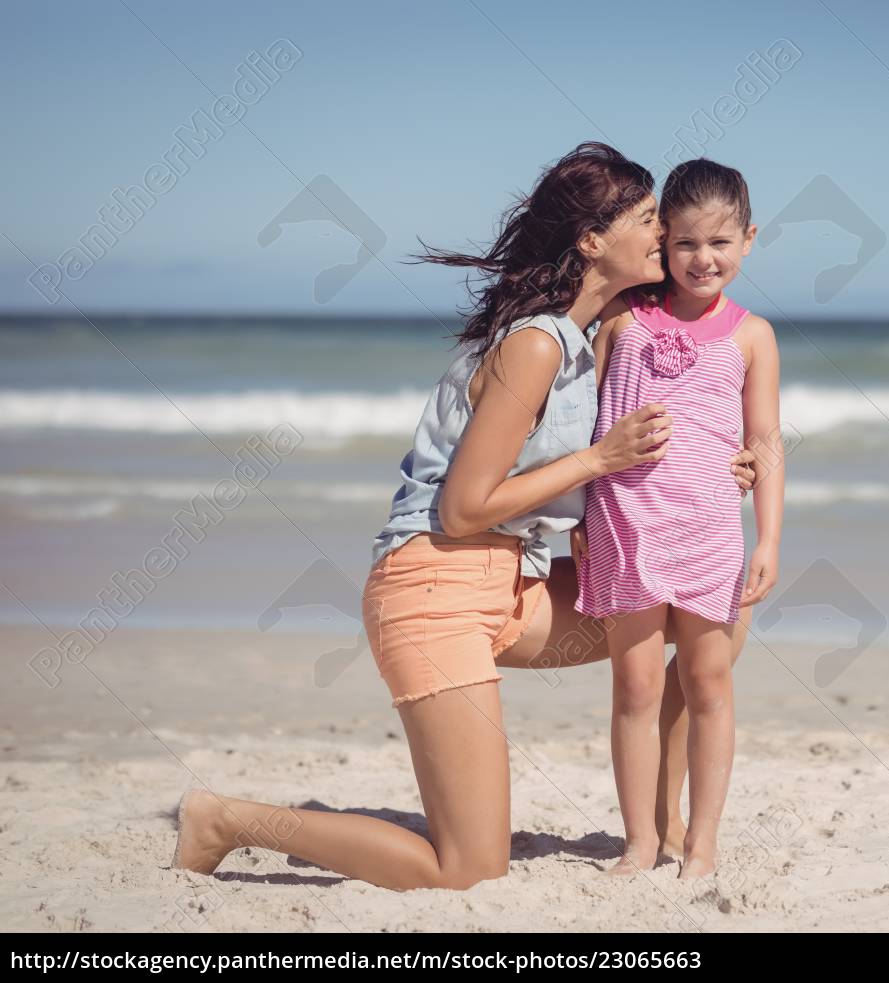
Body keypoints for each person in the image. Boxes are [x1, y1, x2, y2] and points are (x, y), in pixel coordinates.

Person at [168, 143, 758, 892]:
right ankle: (228, 819)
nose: (663, 232)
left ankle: (670, 831)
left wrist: (733, 467)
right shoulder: (537, 344)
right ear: (592, 241)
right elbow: (463, 506)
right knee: (469, 867)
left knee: (711, 605)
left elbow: (681, 404)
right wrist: (598, 460)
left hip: (510, 587)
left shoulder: (587, 337)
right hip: (432, 592)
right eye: (648, 219)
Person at [573, 159, 784, 879]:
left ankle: (702, 843)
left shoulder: (753, 334)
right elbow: (580, 427)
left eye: (720, 243)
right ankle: (637, 841)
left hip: (710, 531)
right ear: (663, 239)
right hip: (625, 524)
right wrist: (571, 514)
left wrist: (770, 538)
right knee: (634, 688)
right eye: (686, 243)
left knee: (709, 684)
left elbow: (764, 441)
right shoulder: (624, 319)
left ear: (749, 239)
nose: (703, 259)